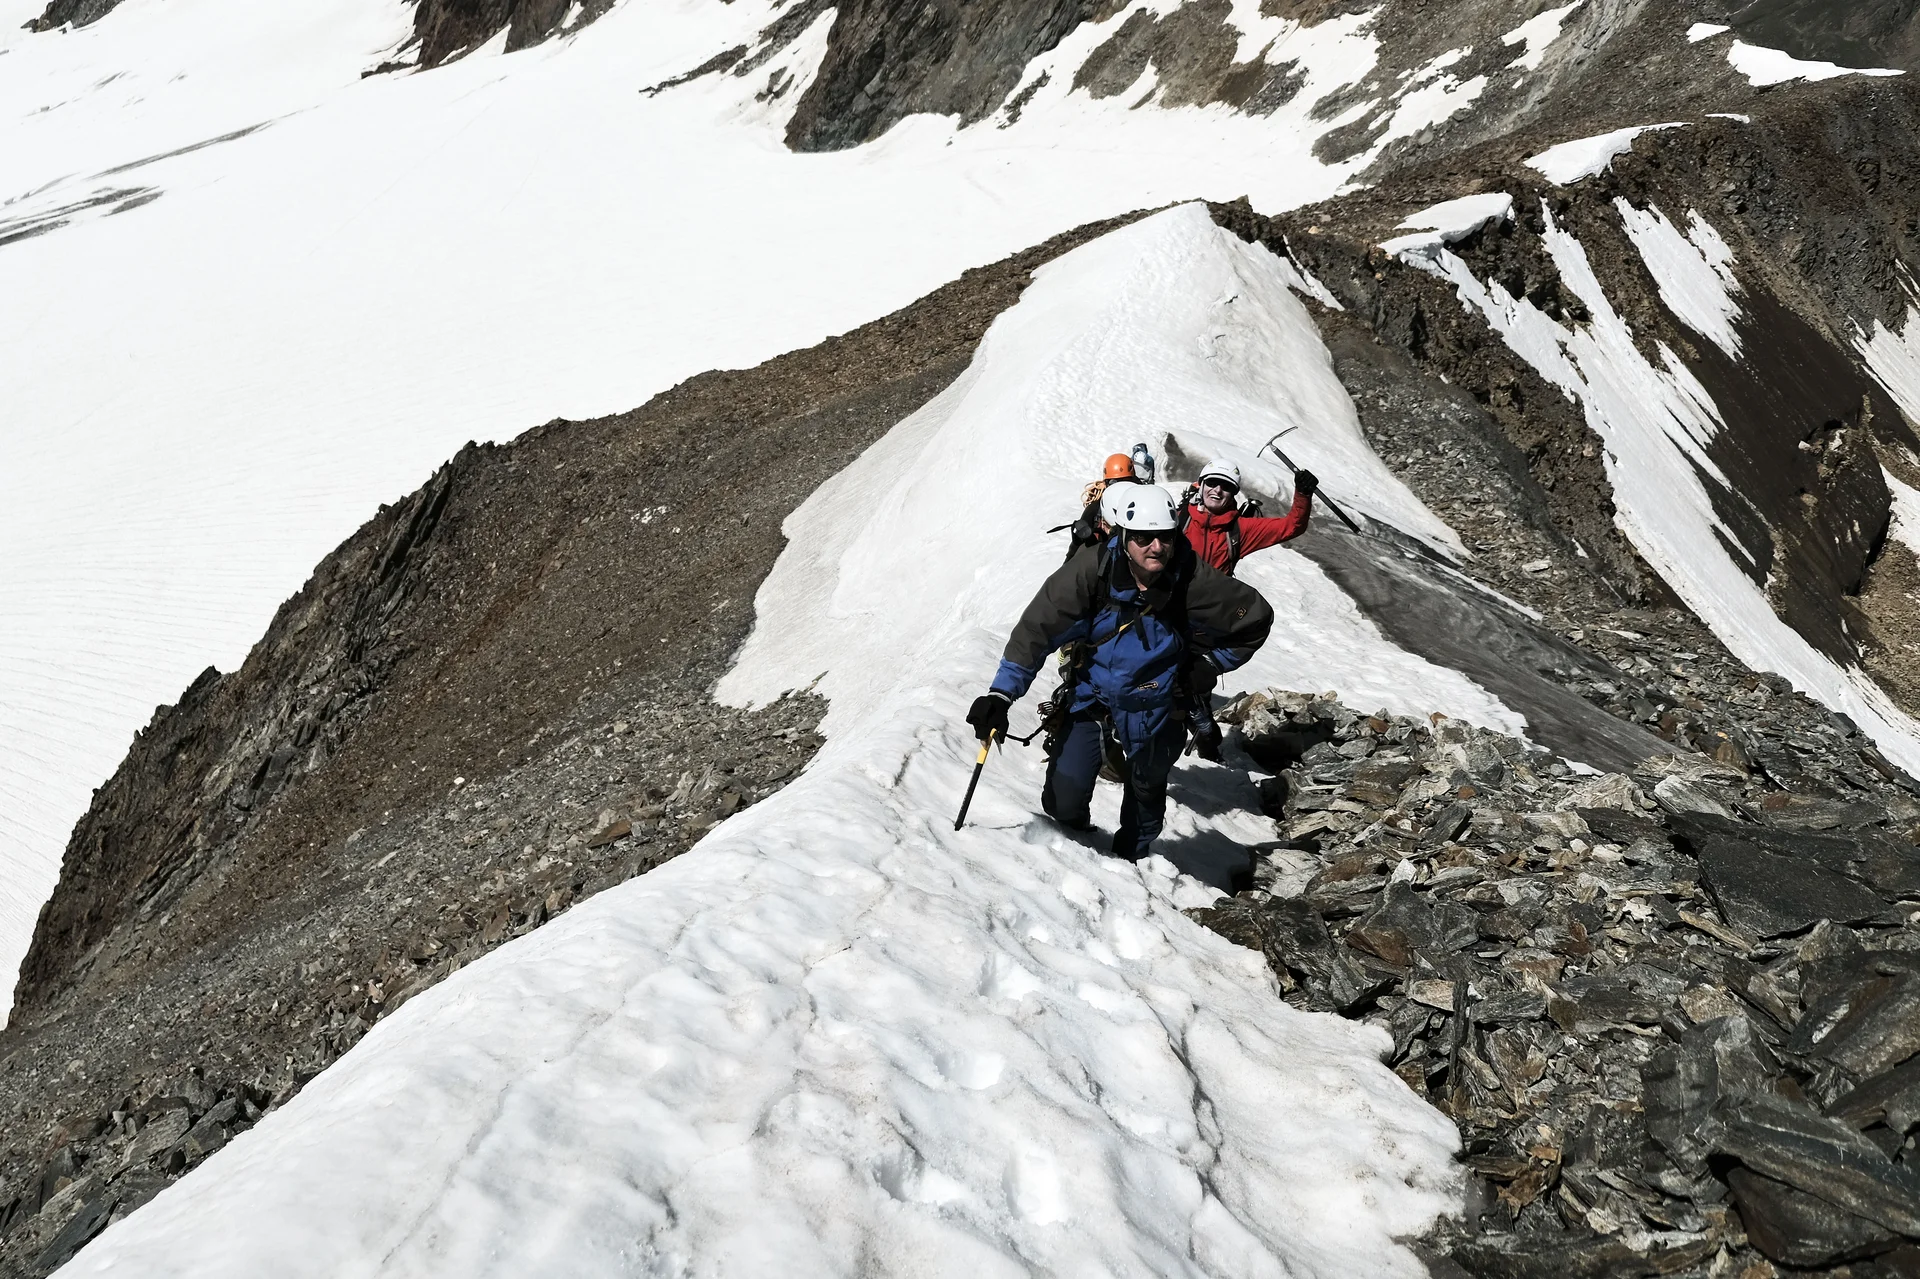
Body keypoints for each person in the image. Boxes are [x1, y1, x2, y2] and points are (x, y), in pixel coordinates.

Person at [968, 483, 1274, 860]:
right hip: (1091, 698)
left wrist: (1210, 665)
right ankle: (1073, 851)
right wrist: (1001, 694)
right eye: (1144, 537)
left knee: (1146, 791)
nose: (1156, 547)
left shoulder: (1191, 579)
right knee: (1063, 800)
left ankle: (1130, 862)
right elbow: (1037, 631)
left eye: (1164, 536)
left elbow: (1255, 619)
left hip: (1159, 705)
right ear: (1124, 535)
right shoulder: (1091, 571)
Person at [1180, 458, 1316, 575]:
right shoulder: (1179, 519)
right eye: (1212, 483)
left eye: (1226, 486)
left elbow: (1292, 526)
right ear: (1201, 485)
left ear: (1233, 493)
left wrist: (1303, 494)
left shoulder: (1240, 529)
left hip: (1209, 603)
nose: (1218, 490)